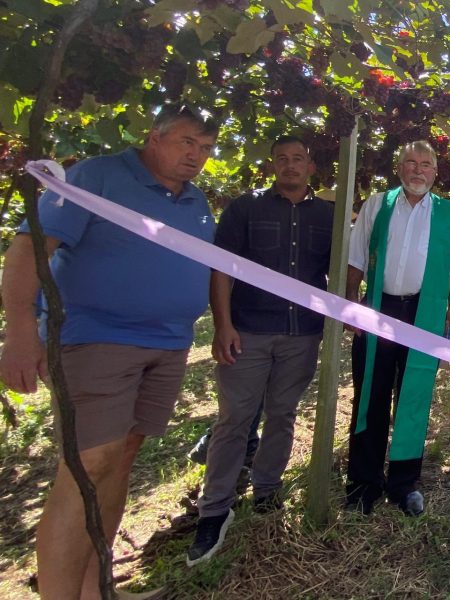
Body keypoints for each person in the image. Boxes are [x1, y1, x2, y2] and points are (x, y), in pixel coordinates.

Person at [0, 105, 218, 599]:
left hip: (167, 345)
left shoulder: (195, 200)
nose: (196, 156)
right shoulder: (94, 178)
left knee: (121, 460)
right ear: (154, 136)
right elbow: (29, 250)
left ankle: (94, 587)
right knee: (87, 466)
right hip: (98, 340)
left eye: (205, 148)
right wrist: (18, 332)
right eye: (187, 142)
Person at [186, 135, 333, 565]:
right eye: (283, 159)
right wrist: (223, 324)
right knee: (234, 418)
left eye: (298, 159)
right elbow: (222, 268)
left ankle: (268, 491)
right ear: (273, 166)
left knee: (282, 415)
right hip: (247, 332)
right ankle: (214, 510)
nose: (290, 166)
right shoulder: (244, 208)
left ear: (310, 167)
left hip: (302, 333)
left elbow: (338, 270)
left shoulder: (328, 216)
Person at [343, 140, 450, 516]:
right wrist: (351, 302)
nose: (417, 170)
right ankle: (364, 481)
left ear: (435, 172)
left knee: (413, 394)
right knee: (370, 393)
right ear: (399, 168)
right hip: (380, 308)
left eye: (425, 164)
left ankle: (403, 483)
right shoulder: (378, 204)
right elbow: (357, 255)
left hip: (423, 310)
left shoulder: (448, 212)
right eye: (410, 162)